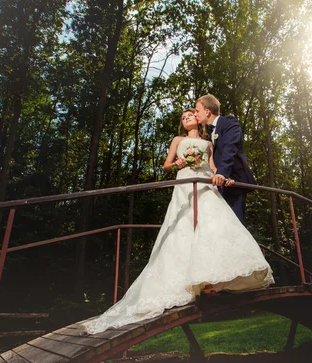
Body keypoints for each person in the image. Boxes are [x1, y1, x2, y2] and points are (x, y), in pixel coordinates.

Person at [82, 109, 274, 335]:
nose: (187, 119)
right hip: (185, 184)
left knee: (213, 226)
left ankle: (208, 280)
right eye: (183, 118)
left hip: (203, 184)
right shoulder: (178, 140)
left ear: (197, 118)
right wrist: (178, 163)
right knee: (183, 227)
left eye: (190, 115)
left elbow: (212, 167)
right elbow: (165, 165)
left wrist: (222, 176)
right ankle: (190, 280)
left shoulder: (207, 143)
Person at [195, 94, 256, 225]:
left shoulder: (229, 122)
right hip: (219, 185)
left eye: (197, 110)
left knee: (236, 224)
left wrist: (222, 172)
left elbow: (230, 148)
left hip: (234, 182)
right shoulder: (208, 133)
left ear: (207, 112)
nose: (195, 114)